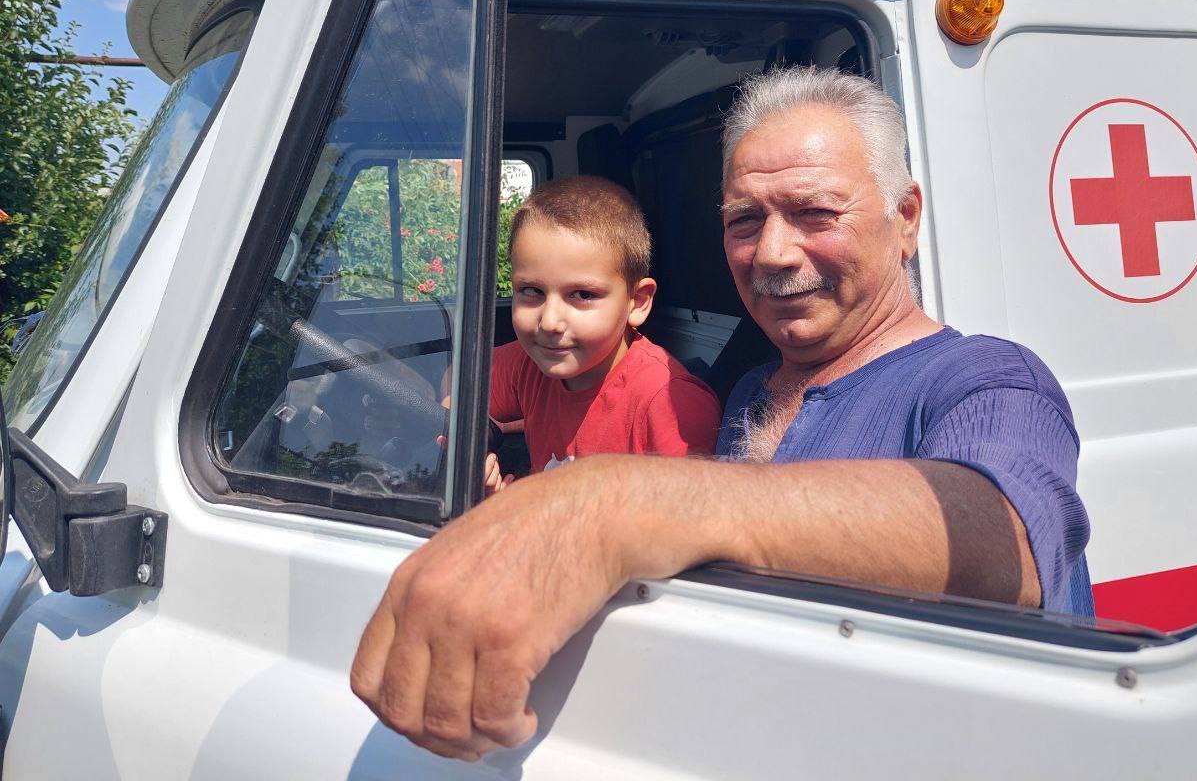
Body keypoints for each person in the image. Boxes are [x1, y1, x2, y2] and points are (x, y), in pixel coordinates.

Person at [351, 66, 1091, 762]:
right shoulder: (751, 394)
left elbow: (1006, 542)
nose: (771, 252)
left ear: (905, 218)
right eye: (745, 220)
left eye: (814, 212)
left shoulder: (988, 378)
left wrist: (604, 500)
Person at [482, 175, 720, 491]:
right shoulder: (530, 362)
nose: (550, 321)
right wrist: (477, 450)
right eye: (531, 290)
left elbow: (681, 531)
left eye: (582, 295)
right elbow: (456, 391)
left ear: (636, 302)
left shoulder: (670, 404)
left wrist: (523, 509)